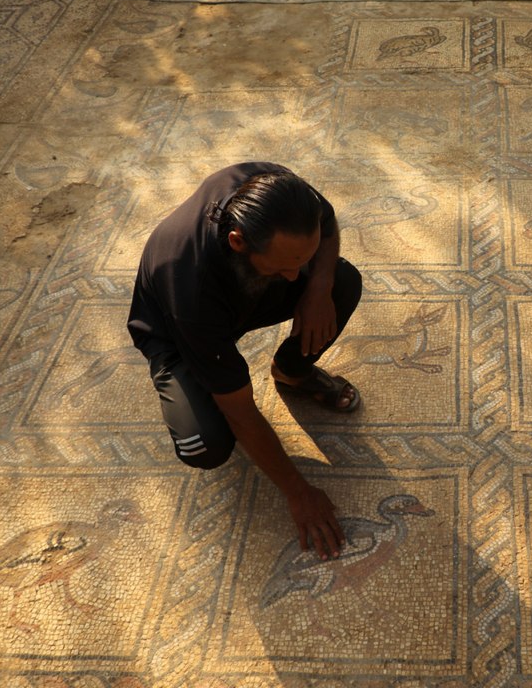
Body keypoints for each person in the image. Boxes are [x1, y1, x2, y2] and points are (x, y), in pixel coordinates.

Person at [127, 162, 361, 560]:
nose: (293, 277)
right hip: (176, 331)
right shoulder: (191, 290)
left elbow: (327, 220)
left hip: (242, 290)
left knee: (343, 281)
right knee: (205, 444)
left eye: (298, 262)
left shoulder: (276, 193)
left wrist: (318, 287)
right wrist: (298, 492)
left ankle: (291, 373)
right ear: (238, 242)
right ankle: (191, 378)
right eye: (284, 265)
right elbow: (242, 411)